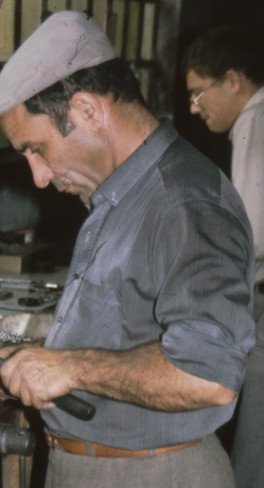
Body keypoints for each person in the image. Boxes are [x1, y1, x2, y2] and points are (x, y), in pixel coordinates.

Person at [0, 11, 255, 488]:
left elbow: (209, 375)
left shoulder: (183, 202)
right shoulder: (121, 196)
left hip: (154, 473)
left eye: (37, 149)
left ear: (86, 110)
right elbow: (128, 338)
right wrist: (32, 360)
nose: (39, 176)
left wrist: (69, 366)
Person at [183, 26, 264, 488]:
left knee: (254, 443)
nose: (194, 109)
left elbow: (251, 233)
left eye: (199, 94)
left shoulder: (254, 118)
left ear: (233, 79)